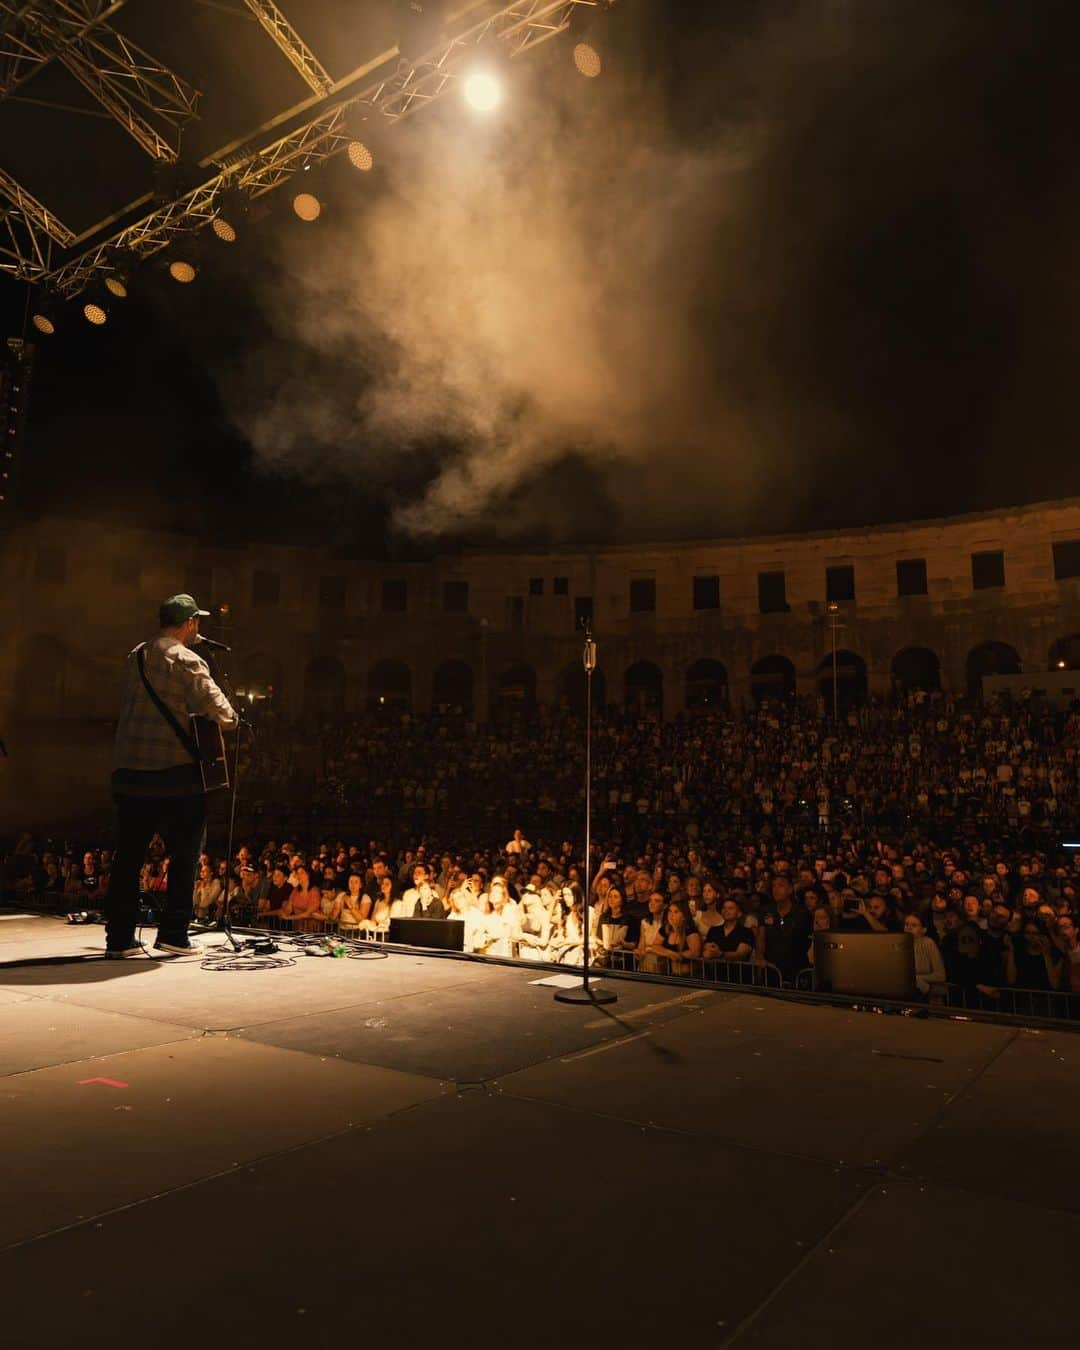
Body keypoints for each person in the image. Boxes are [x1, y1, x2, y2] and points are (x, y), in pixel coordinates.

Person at [106, 595, 238, 958]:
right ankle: (173, 934)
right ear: (190, 623)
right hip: (175, 776)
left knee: (128, 857)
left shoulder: (135, 655)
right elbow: (222, 713)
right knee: (185, 855)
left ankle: (119, 939)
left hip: (129, 773)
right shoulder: (187, 658)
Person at [903, 912, 947, 999]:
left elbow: (941, 975)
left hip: (928, 994)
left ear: (923, 930)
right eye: (906, 924)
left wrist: (916, 978)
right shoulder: (901, 944)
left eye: (914, 925)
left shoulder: (928, 943)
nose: (908, 928)